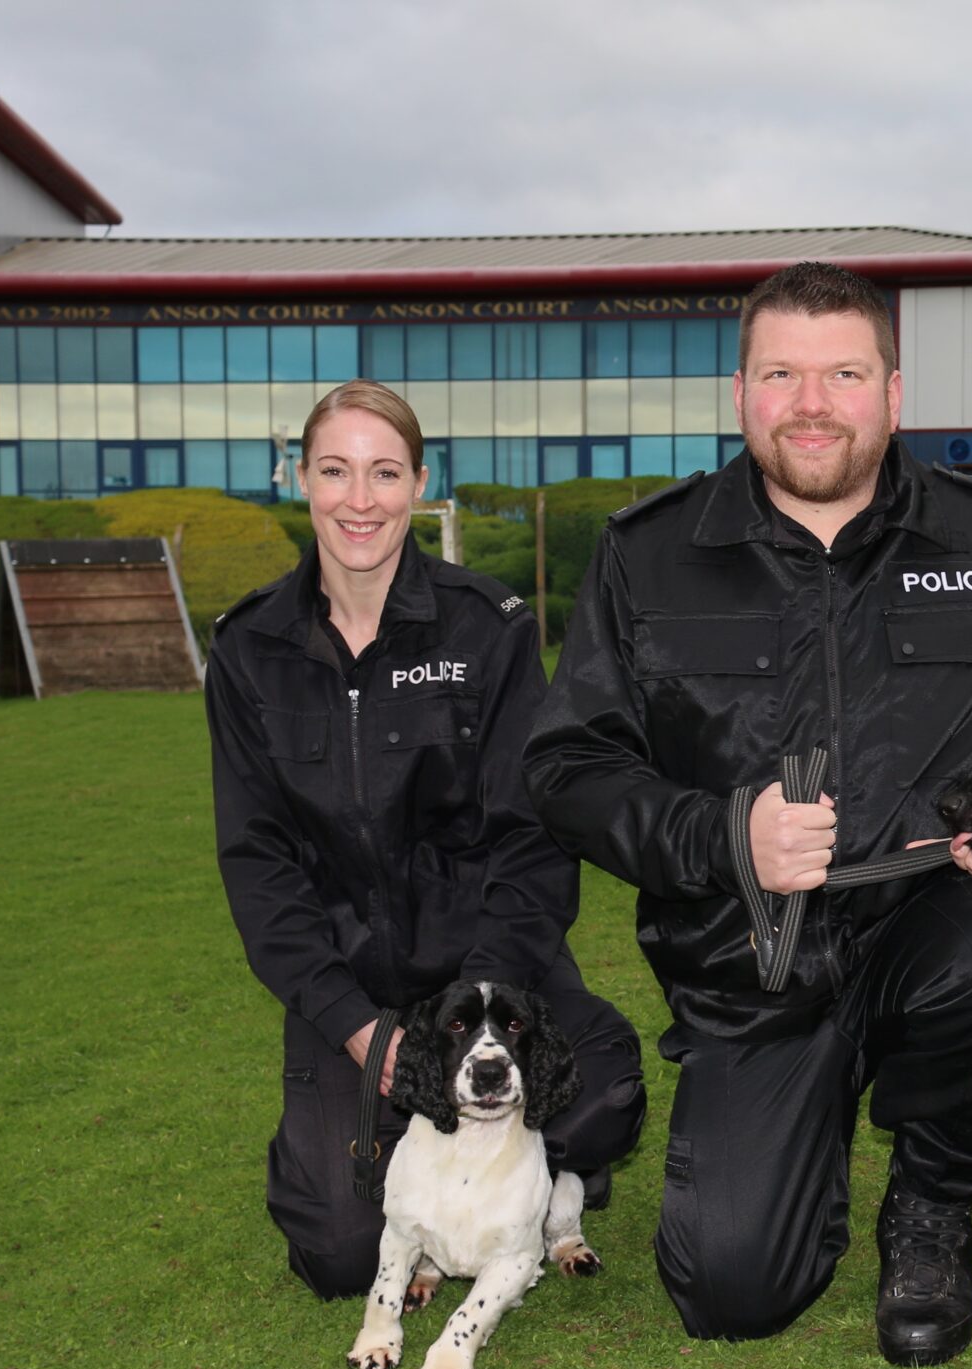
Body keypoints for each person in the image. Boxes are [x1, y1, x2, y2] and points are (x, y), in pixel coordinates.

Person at [524, 263, 972, 1367]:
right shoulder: (646, 556)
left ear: (893, 392)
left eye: (844, 372)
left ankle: (931, 1202)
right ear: (739, 392)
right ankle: (797, 1137)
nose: (812, 403)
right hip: (751, 967)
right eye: (782, 373)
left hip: (933, 926)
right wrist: (720, 834)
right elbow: (567, 768)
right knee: (732, 1291)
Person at [206, 380, 648, 1301]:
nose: (358, 499)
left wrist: (474, 1019)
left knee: (602, 1095)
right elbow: (259, 868)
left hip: (486, 974)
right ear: (299, 478)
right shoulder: (248, 649)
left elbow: (533, 839)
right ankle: (362, 1139)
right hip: (354, 991)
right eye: (334, 471)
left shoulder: (488, 629)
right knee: (336, 1253)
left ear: (420, 481)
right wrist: (364, 1033)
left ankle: (544, 1177)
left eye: (383, 472)